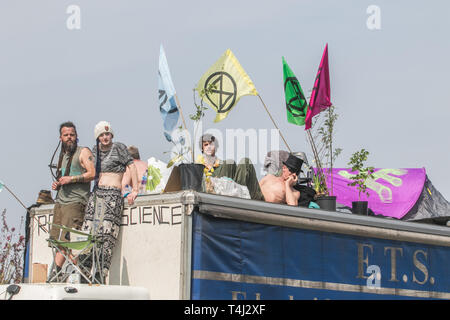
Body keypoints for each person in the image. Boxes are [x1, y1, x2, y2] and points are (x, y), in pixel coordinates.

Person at [81, 121, 139, 280]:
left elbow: (132, 167)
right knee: (88, 232)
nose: (105, 137)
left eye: (107, 134)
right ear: (97, 137)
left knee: (106, 234)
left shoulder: (119, 147)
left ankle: (101, 272)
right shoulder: (94, 151)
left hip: (113, 194)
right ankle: (84, 271)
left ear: (111, 134)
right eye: (101, 135)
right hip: (97, 194)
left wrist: (135, 189)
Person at [50, 121, 95, 275]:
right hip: (61, 202)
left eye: (72, 135)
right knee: (58, 242)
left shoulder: (83, 152)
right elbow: (65, 177)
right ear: (60, 137)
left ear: (77, 136)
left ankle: (80, 275)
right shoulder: (63, 155)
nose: (69, 137)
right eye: (66, 135)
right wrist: (59, 183)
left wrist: (71, 179)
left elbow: (92, 173)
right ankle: (56, 275)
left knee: (70, 243)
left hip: (75, 203)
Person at [195, 134, 264, 200]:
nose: (209, 147)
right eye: (206, 145)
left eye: (211, 144)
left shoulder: (226, 165)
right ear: (202, 148)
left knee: (244, 162)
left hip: (233, 193)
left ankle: (247, 197)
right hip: (212, 197)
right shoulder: (199, 167)